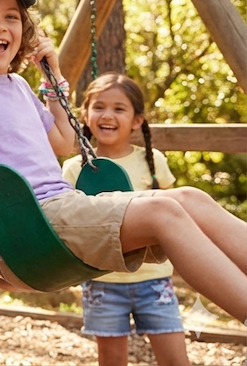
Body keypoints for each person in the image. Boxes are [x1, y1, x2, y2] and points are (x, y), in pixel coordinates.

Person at [0, 0, 247, 325]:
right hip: (26, 230)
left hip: (67, 208)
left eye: (11, 17)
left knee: (191, 198)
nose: (0, 25)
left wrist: (54, 80)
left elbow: (65, 142)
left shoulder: (17, 86)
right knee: (164, 213)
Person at [62, 74, 190, 366]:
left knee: (176, 360)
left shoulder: (152, 161)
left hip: (153, 281)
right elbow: (68, 226)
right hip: (102, 283)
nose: (107, 115)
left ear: (137, 120)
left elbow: (175, 218)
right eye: (99, 107)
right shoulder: (74, 169)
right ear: (85, 114)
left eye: (119, 109)